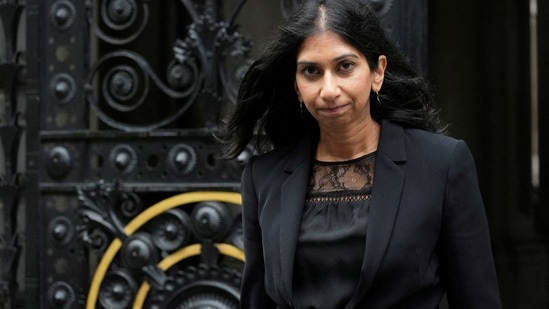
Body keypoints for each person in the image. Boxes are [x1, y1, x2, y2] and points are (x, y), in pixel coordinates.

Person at [220, 0, 502, 308]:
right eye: (311, 71)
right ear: (297, 86)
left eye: (345, 66)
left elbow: (477, 299)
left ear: (377, 71)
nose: (329, 89)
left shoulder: (442, 164)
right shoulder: (264, 177)